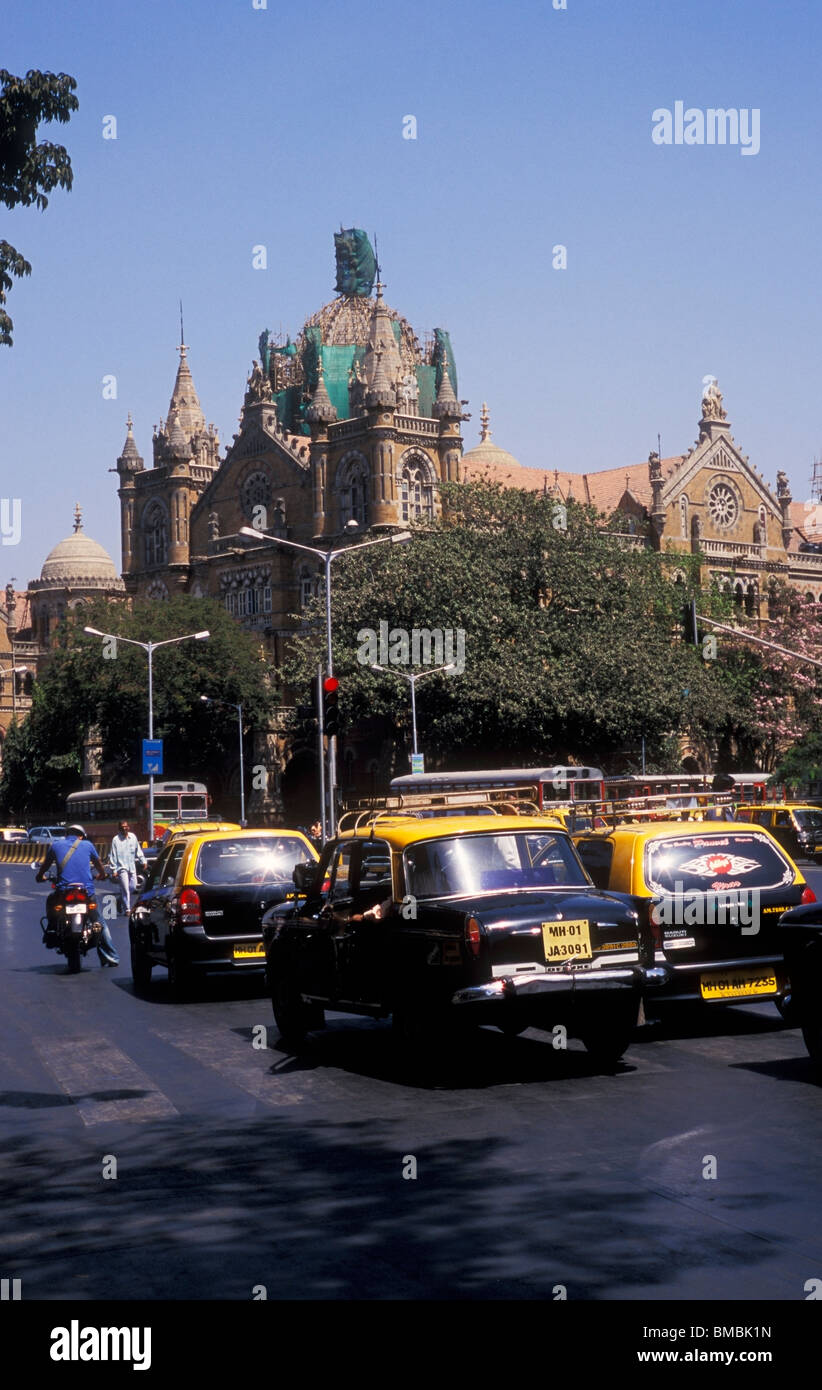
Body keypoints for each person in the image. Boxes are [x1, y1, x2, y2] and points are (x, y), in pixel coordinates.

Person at [36, 824, 119, 968]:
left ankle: (51, 928)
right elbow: (99, 864)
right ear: (81, 836)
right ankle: (111, 957)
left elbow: (45, 865)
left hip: (64, 891)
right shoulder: (87, 845)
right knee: (99, 921)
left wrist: (39, 876)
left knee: (51, 901)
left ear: (68, 833)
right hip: (86, 891)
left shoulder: (56, 845)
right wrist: (102, 875)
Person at [108, 818, 147, 915]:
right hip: (121, 868)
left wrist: (143, 861)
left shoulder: (133, 837)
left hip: (131, 867)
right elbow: (113, 855)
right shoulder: (116, 840)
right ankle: (127, 909)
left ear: (128, 827)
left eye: (126, 827)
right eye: (122, 827)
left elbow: (138, 850)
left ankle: (119, 900)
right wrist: (114, 870)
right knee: (125, 888)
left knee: (133, 887)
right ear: (119, 829)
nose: (125, 829)